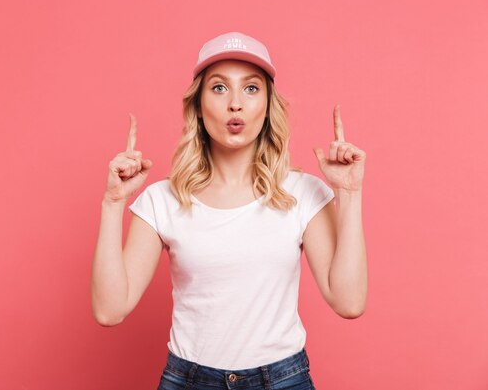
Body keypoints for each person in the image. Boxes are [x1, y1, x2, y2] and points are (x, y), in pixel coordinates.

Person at [91, 31, 367, 390]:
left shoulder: (302, 192)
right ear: (198, 105)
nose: (235, 103)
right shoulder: (164, 199)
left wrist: (349, 192)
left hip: (283, 381)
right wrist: (113, 203)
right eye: (219, 88)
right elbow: (109, 310)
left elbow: (349, 302)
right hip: (189, 380)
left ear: (267, 105)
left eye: (251, 88)